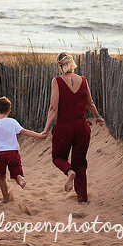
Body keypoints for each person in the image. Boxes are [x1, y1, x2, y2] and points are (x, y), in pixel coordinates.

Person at [41, 52, 105, 203]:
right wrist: (98, 117)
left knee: (58, 157)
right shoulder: (83, 80)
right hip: (82, 127)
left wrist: (45, 128)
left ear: (59, 65)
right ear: (72, 63)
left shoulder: (57, 81)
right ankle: (82, 199)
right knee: (80, 163)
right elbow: (90, 103)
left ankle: (69, 172)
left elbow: (53, 108)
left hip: (64, 128)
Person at [0, 96, 47, 203]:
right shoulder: (12, 121)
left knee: (1, 177)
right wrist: (39, 135)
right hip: (12, 153)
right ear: (9, 111)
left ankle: (6, 199)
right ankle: (20, 179)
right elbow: (24, 131)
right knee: (16, 173)